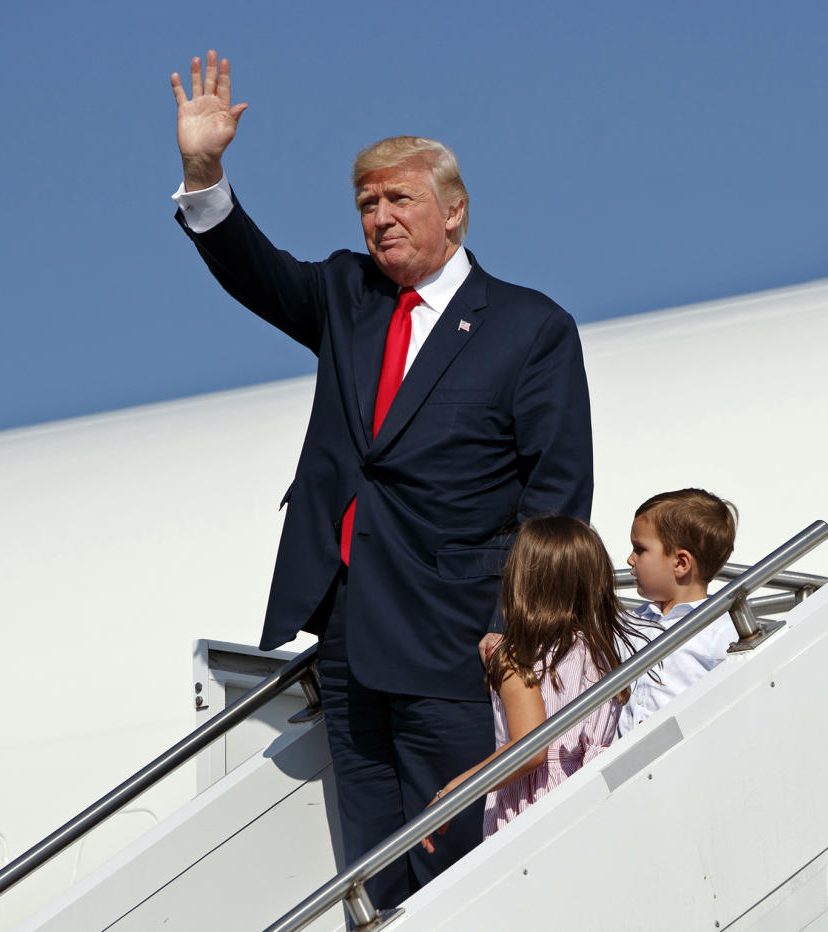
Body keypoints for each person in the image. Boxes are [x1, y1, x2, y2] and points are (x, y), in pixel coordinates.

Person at [168, 51, 594, 907]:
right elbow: (254, 270)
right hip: (352, 629)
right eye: (368, 203)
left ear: (455, 210)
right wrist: (204, 172)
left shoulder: (529, 327)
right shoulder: (347, 296)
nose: (380, 217)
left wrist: (512, 630)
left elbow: (557, 493)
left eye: (400, 199)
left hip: (459, 638)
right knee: (373, 868)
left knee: (467, 856)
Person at [422, 516, 642, 849]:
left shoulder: (517, 659)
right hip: (591, 796)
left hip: (533, 809)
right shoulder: (598, 650)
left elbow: (530, 750)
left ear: (522, 583)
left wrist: (454, 791)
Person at [618, 488, 738, 736]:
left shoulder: (720, 631)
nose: (630, 559)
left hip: (684, 765)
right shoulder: (631, 621)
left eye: (640, 549)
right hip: (622, 765)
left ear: (681, 564)